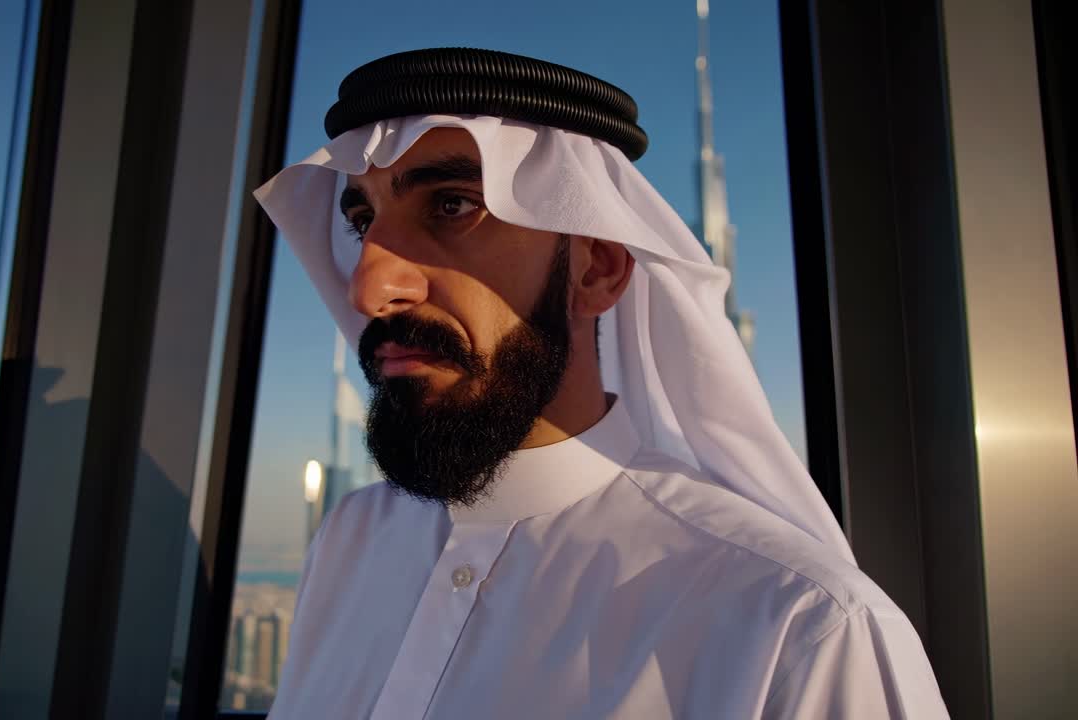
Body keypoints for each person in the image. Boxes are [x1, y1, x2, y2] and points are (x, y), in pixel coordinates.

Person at [254, 48, 948, 719]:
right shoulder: (350, 539)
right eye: (362, 220)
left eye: (454, 205)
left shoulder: (801, 626)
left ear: (598, 271)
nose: (371, 289)